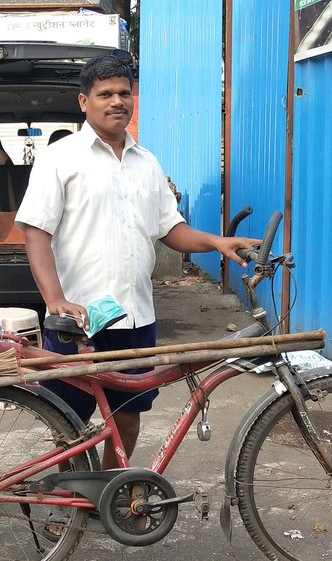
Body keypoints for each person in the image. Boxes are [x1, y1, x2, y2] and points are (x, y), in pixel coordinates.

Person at [16, 54, 259, 472]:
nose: (117, 101)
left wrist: (217, 242)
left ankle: (108, 500)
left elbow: (170, 230)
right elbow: (35, 232)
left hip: (136, 318)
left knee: (127, 420)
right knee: (68, 421)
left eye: (124, 93)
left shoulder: (146, 162)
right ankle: (63, 506)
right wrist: (55, 300)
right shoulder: (60, 158)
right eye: (105, 94)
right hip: (80, 319)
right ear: (83, 101)